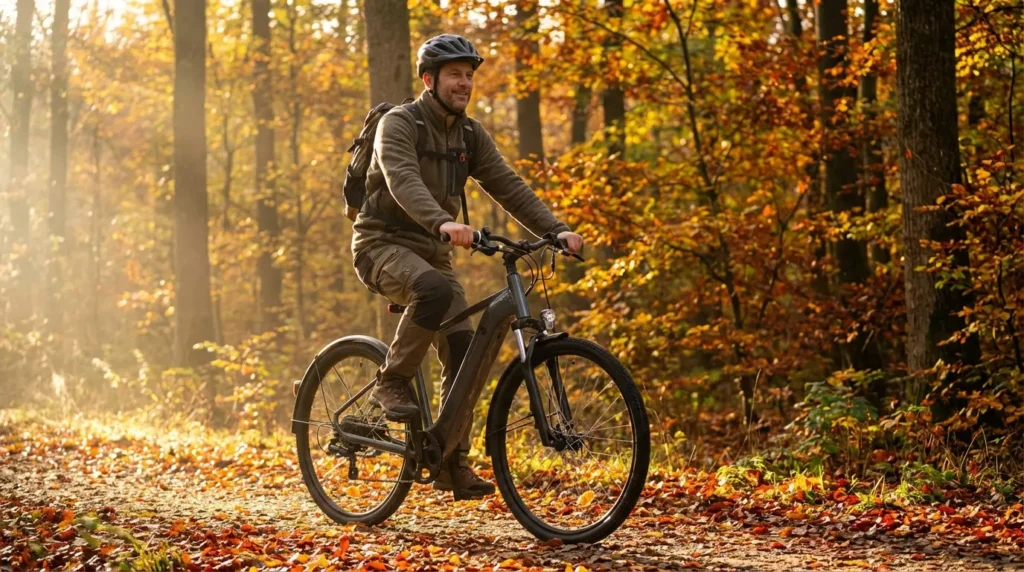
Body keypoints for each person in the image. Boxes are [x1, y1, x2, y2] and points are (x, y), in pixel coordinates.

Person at [351, 34, 583, 498]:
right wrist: (442, 221)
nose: (464, 83)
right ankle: (391, 382)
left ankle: (450, 462)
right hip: (381, 244)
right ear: (429, 80)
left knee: (464, 349)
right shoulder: (399, 124)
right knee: (434, 291)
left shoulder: (470, 135)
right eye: (454, 74)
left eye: (469, 75)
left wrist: (555, 229)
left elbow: (508, 185)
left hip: (433, 253)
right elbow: (402, 179)